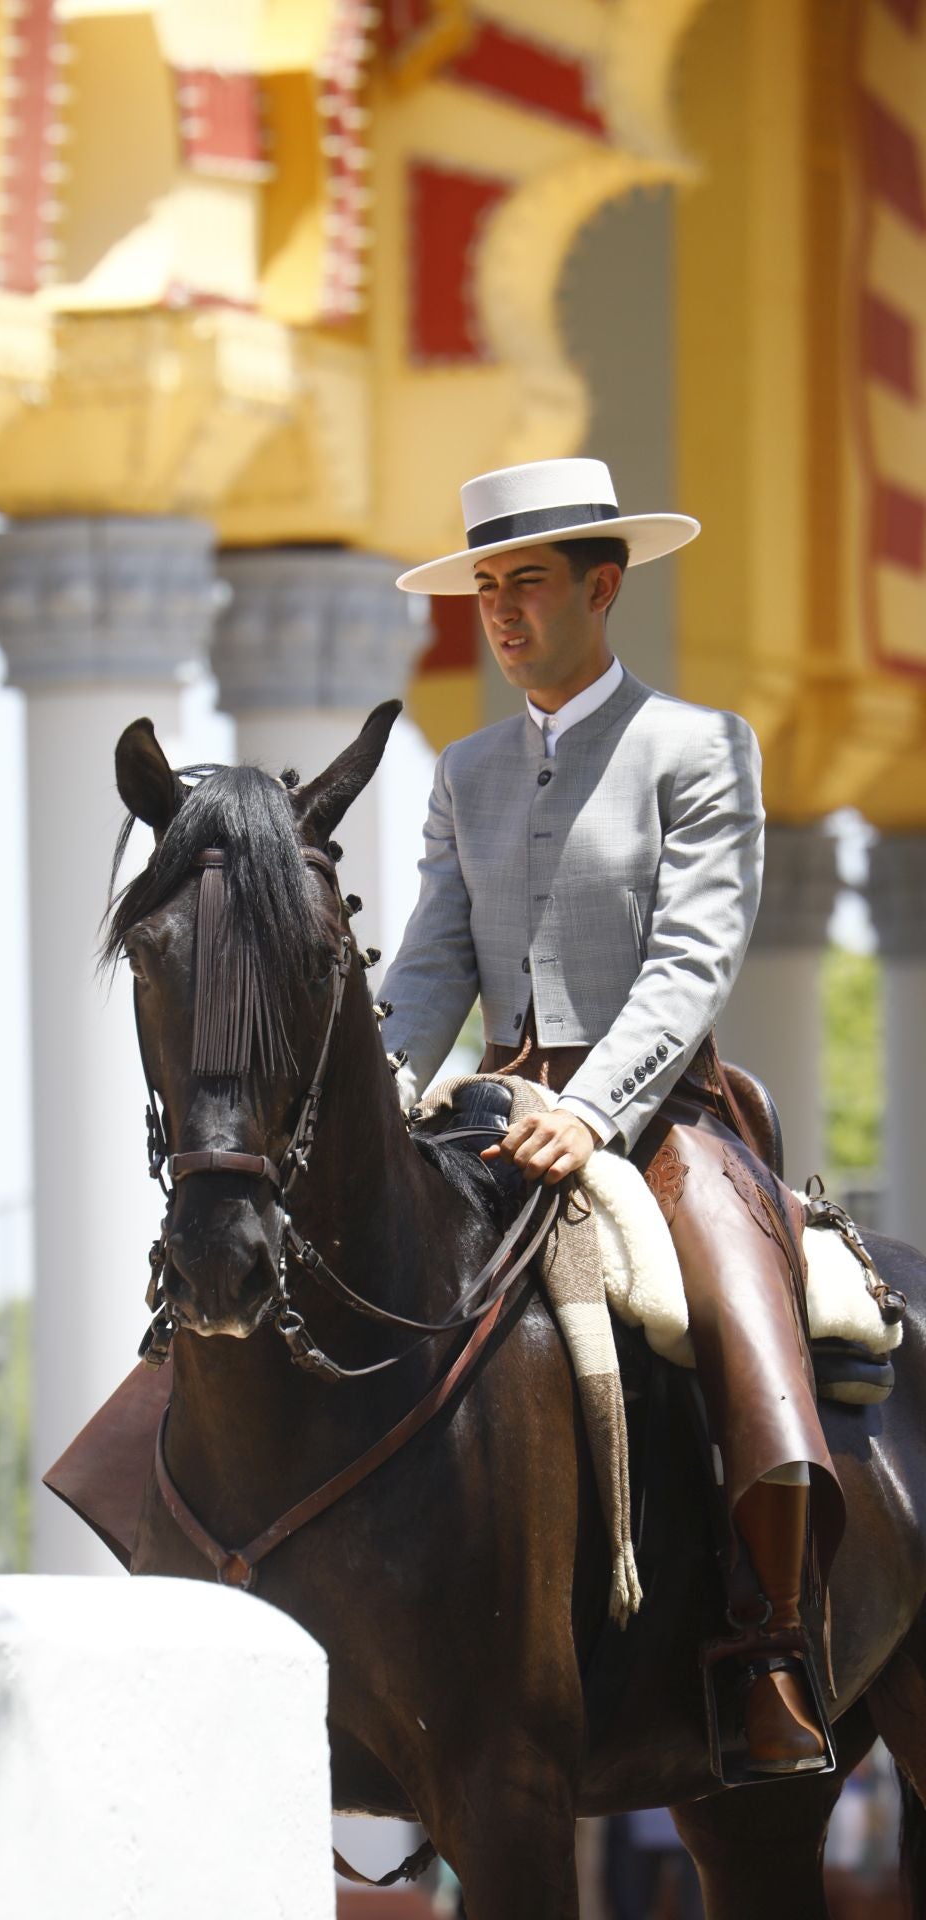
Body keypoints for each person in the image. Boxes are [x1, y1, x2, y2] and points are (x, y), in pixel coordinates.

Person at [379, 456, 843, 1776]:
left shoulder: (699, 748)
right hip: (495, 1105)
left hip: (660, 1111)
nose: (505, 614)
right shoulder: (463, 771)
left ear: (603, 586)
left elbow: (694, 959)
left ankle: (771, 1649)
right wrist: (379, 1088)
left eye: (528, 584)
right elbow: (430, 963)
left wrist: (592, 1111)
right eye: (487, 592)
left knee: (738, 1305)